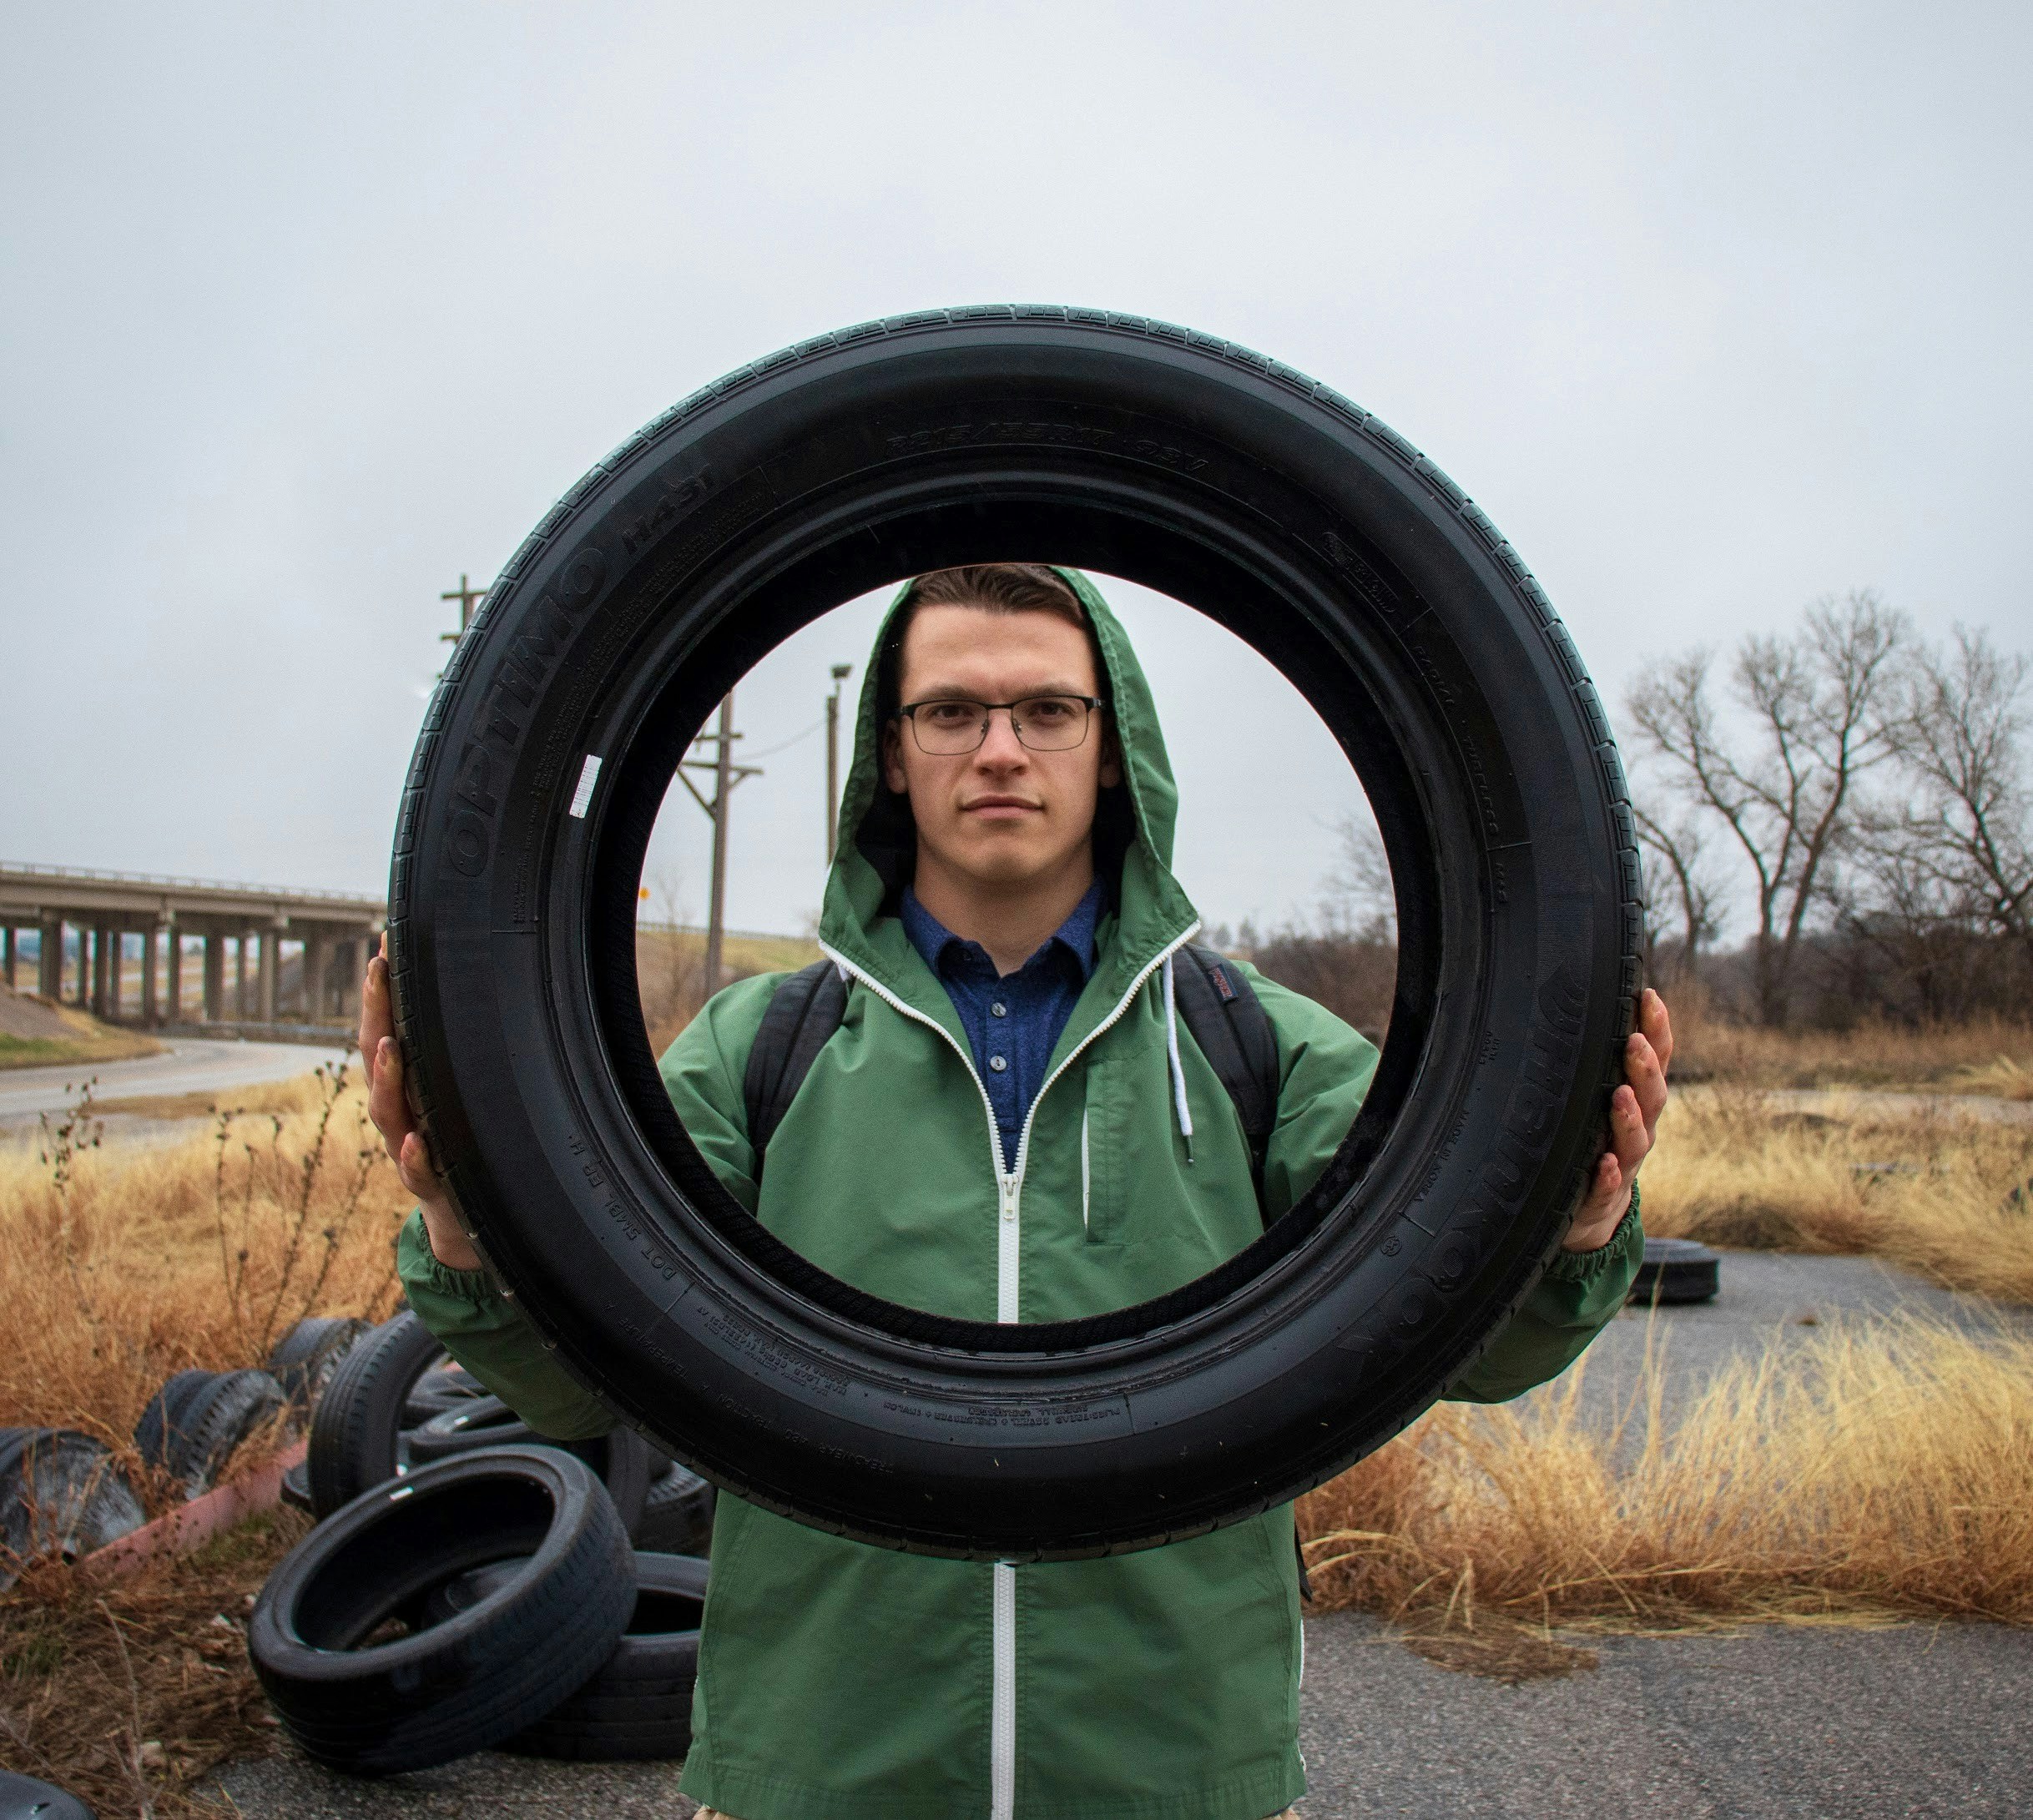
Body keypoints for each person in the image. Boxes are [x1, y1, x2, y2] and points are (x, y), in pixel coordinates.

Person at [364, 563, 1672, 1820]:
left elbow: (1467, 1337)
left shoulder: (1255, 1048)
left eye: (1048, 709)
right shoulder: (760, 1051)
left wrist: (1565, 1225)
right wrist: (473, 1227)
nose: (1000, 749)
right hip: (822, 1773)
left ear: (1113, 746)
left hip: (1174, 1775)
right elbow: (585, 1375)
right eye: (952, 711)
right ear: (891, 749)